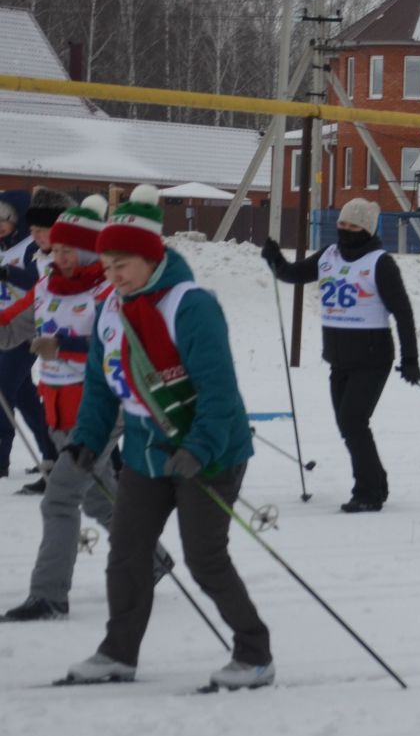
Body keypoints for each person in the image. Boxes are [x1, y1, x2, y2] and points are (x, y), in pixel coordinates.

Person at [60, 186, 274, 689]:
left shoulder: (190, 305)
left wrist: (198, 449)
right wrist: (87, 437)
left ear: (151, 258)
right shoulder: (111, 310)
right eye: (107, 267)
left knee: (204, 558)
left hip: (211, 448)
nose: (113, 278)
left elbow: (219, 391)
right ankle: (118, 653)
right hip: (145, 449)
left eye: (123, 266)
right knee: (128, 554)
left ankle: (254, 654)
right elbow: (100, 382)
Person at [0, 197, 173, 620]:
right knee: (98, 499)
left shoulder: (108, 293)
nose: (58, 256)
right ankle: (152, 560)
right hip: (57, 410)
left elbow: (117, 346)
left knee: (58, 500)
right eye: (55, 249)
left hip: (97, 411)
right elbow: (8, 331)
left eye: (68, 249)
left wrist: (65, 345)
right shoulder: (47, 288)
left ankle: (49, 595)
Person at [261, 198, 420, 513]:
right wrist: (276, 259)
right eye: (343, 224)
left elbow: (402, 312)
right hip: (339, 358)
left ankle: (368, 492)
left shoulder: (379, 262)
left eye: (353, 226)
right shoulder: (329, 256)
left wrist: (410, 358)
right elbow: (294, 274)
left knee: (353, 421)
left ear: (366, 229)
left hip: (372, 358)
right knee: (348, 425)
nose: (345, 230)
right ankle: (376, 481)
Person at [0, 186, 65, 484]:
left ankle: (1, 457)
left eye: (6, 218)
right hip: (6, 328)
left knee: (3, 391)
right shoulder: (6, 245)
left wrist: (8, 274)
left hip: (27, 329)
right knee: (25, 397)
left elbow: (39, 282)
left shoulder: (31, 246)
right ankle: (51, 454)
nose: (1, 224)